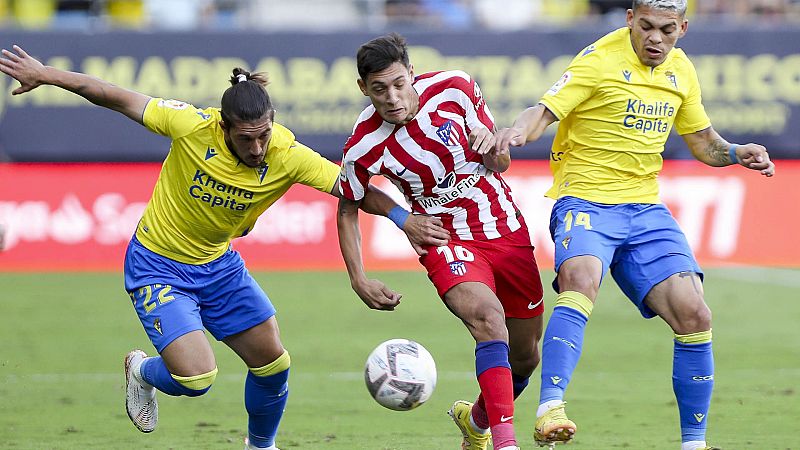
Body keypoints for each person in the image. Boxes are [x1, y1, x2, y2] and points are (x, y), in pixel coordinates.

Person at [0, 44, 450, 449]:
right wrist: (48, 75)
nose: (257, 148)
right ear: (224, 127)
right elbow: (112, 94)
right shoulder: (190, 125)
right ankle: (141, 371)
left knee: (273, 364)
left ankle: (260, 447)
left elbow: (351, 191)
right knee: (197, 378)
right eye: (245, 137)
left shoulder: (288, 154)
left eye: (264, 135)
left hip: (218, 267)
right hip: (158, 264)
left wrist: (402, 218)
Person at [493, 1, 775, 449]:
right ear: (629, 20)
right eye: (645, 26)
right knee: (580, 278)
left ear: (683, 28)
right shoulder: (598, 60)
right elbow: (542, 113)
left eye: (667, 29)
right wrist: (514, 132)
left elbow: (703, 143)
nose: (655, 38)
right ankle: (550, 408)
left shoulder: (681, 70)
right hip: (585, 199)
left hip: (644, 211)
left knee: (695, 313)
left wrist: (737, 151)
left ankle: (694, 444)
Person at [337, 33, 545, 450]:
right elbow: (349, 204)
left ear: (411, 73)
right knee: (489, 321)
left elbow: (498, 161)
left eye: (399, 84)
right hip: (445, 240)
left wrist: (494, 149)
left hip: (504, 228)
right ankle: (506, 443)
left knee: (526, 357)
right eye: (379, 89)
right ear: (363, 89)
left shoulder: (456, 87)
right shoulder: (363, 145)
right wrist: (366, 269)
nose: (393, 98)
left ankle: (478, 421)